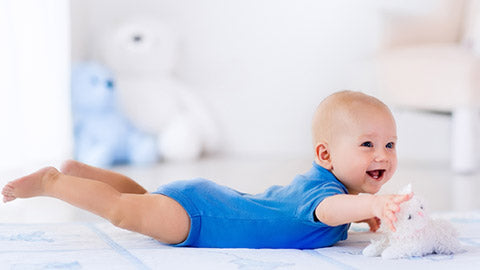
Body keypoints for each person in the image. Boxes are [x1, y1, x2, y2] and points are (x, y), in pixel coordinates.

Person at [1, 90, 411, 249]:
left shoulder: (337, 190)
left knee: (141, 199)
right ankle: (54, 182)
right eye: (368, 145)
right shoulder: (324, 197)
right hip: (200, 220)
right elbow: (330, 212)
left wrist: (366, 211)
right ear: (325, 155)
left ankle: (80, 172)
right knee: (125, 212)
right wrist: (371, 208)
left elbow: (340, 211)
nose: (383, 155)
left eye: (389, 144)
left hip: (206, 201)